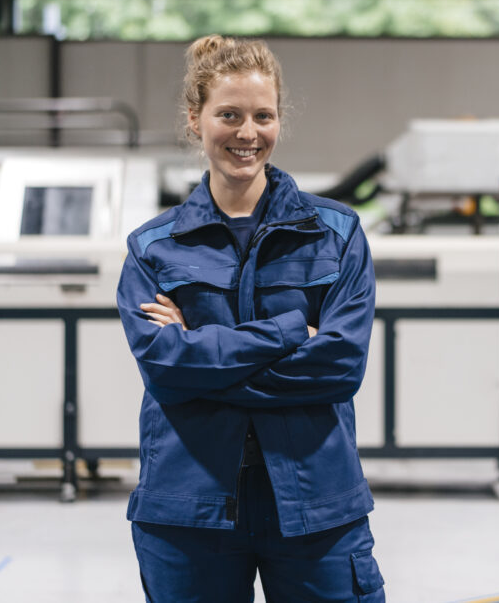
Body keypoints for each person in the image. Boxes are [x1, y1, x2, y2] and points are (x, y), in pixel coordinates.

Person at [116, 35, 384, 602]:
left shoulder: (336, 235)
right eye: (229, 115)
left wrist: (204, 358)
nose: (247, 133)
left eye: (263, 116)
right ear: (196, 119)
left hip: (315, 503)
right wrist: (290, 333)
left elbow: (338, 366)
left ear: (279, 120)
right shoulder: (153, 249)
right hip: (190, 507)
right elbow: (165, 369)